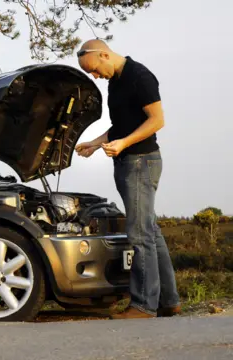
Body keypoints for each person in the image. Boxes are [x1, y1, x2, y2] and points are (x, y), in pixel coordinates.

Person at [74, 39, 181, 319]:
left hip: (141, 162)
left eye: (95, 70)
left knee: (139, 233)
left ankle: (143, 305)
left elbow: (157, 120)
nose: (96, 77)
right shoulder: (116, 81)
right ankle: (169, 301)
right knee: (150, 231)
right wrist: (96, 143)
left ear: (104, 54)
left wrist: (124, 144)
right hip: (126, 161)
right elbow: (121, 125)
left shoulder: (140, 76)